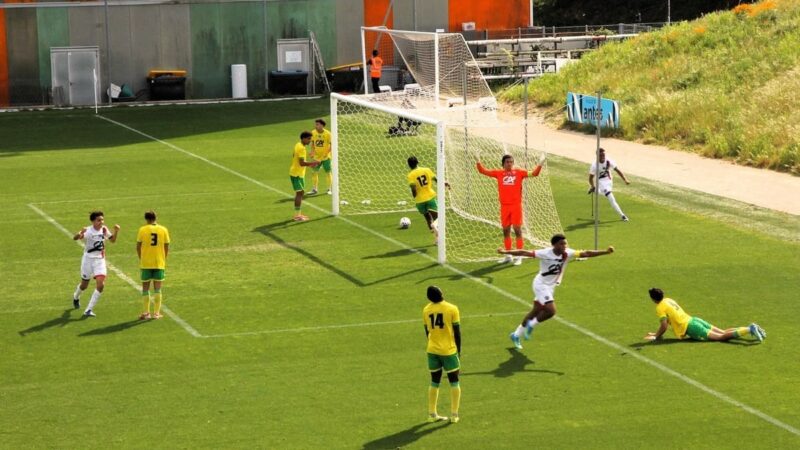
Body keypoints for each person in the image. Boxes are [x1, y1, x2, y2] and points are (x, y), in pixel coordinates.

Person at [498, 234, 614, 350]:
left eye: (565, 243)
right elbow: (524, 252)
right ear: (554, 245)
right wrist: (505, 252)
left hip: (551, 286)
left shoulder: (568, 253)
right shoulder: (545, 253)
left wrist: (605, 252)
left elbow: (587, 253)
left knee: (536, 311)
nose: (564, 246)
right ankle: (531, 325)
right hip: (541, 285)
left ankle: (516, 335)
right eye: (561, 244)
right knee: (551, 311)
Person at [477, 154, 543, 266]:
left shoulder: (519, 173)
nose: (509, 164)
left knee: (517, 230)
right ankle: (508, 256)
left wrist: (540, 164)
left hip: (516, 206)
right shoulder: (498, 173)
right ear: (503, 163)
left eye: (511, 162)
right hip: (504, 207)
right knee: (506, 231)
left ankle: (519, 256)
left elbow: (534, 173)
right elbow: (483, 171)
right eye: (507, 162)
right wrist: (478, 161)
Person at [644, 288, 765, 343]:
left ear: (653, 299)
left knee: (721, 337)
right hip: (694, 320)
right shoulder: (668, 300)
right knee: (723, 331)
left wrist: (656, 336)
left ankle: (749, 329)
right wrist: (656, 334)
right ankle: (750, 327)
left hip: (691, 327)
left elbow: (664, 325)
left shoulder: (660, 307)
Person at [423, 285, 461, 424]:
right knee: (454, 381)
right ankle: (454, 414)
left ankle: (432, 414)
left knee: (434, 381)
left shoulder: (426, 310)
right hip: (448, 351)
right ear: (441, 293)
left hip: (432, 350)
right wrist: (458, 351)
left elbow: (427, 331)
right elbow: (457, 332)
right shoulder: (452, 308)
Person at [71, 211, 120, 317]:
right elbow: (75, 238)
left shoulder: (104, 229)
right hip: (88, 260)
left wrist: (116, 231)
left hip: (99, 260)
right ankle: (76, 297)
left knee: (101, 285)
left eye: (102, 220)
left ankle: (88, 310)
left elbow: (112, 240)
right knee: (84, 285)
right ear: (93, 221)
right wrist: (80, 232)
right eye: (99, 220)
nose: (101, 222)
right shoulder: (88, 231)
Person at [136, 210, 170, 320]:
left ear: (146, 219)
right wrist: (163, 258)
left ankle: (146, 313)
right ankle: (156, 313)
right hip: (159, 263)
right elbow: (166, 246)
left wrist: (141, 258)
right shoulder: (163, 229)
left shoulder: (142, 229)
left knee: (145, 288)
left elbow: (138, 246)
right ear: (156, 218)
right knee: (157, 288)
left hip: (146, 263)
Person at [407, 156, 447, 243]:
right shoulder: (427, 170)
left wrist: (415, 196)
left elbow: (413, 188)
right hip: (430, 197)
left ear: (409, 165)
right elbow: (436, 179)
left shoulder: (410, 175)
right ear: (418, 162)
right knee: (437, 218)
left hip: (419, 201)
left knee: (427, 218)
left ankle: (436, 239)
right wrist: (444, 183)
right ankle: (435, 226)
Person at [588, 147, 631, 221]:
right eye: (601, 155)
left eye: (604, 155)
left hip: (609, 181)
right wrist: (592, 185)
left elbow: (617, 170)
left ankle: (594, 190)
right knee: (611, 197)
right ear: (597, 156)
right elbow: (590, 178)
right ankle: (622, 215)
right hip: (601, 183)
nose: (603, 157)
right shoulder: (594, 165)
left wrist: (625, 180)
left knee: (603, 193)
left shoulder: (608, 161)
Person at [289, 131, 320, 221]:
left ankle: (298, 214)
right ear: (303, 138)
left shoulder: (298, 144)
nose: (310, 141)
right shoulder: (301, 148)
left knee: (301, 193)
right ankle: (297, 216)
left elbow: (294, 156)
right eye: (308, 139)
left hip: (298, 173)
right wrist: (313, 163)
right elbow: (301, 163)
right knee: (299, 193)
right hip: (297, 174)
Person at [308, 119, 332, 195]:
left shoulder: (328, 134)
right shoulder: (313, 132)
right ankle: (314, 189)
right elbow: (312, 143)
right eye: (316, 124)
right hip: (316, 157)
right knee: (314, 172)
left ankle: (329, 189)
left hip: (326, 157)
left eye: (317, 124)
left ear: (322, 125)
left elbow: (331, 145)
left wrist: (326, 153)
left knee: (328, 172)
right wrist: (312, 152)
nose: (316, 126)